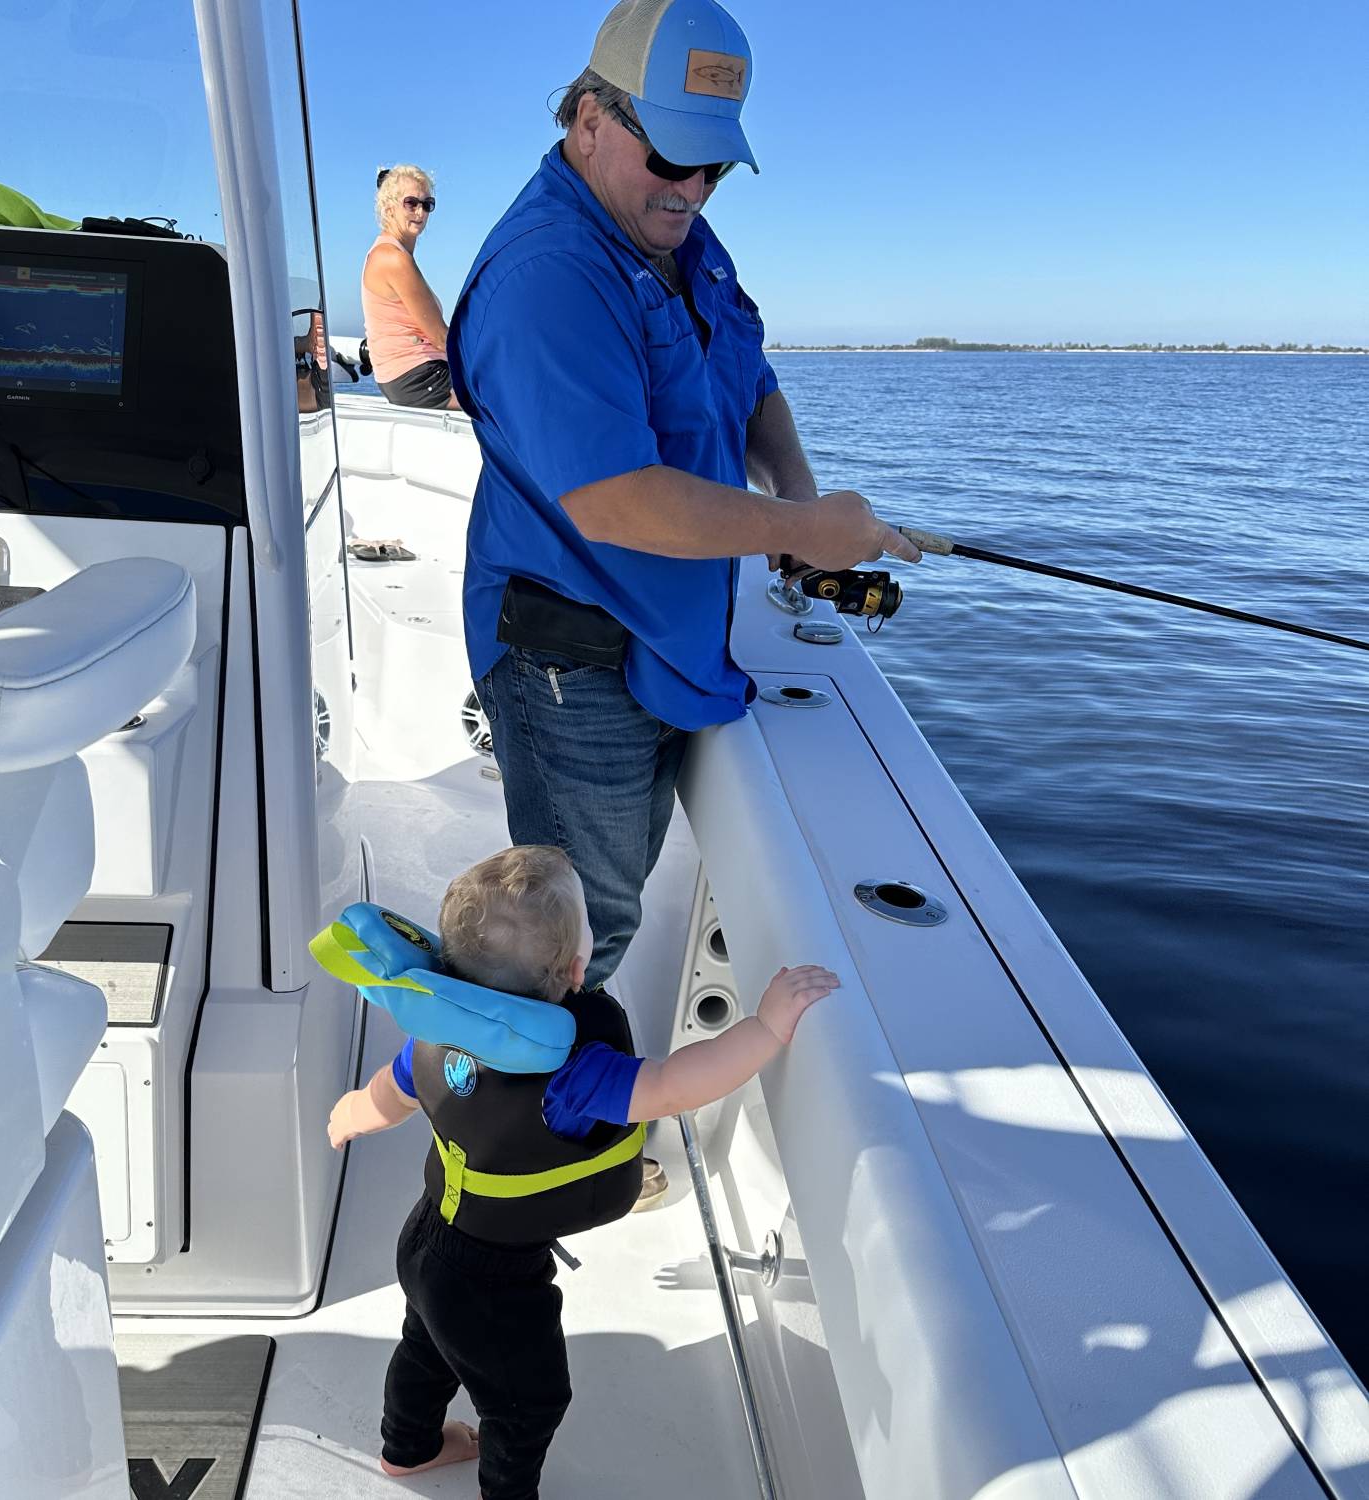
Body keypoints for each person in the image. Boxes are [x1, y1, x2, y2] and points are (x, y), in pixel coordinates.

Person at [448, 0, 920, 1008]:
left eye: (715, 167)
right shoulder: (548, 275)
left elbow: (745, 377)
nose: (694, 189)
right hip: (569, 657)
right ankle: (508, 1140)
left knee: (605, 909)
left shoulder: (683, 239)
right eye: (671, 158)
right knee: (575, 930)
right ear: (587, 118)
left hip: (663, 640)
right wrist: (800, 527)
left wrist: (796, 497)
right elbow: (614, 501)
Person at [325, 845, 838, 1500]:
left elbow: (387, 1097)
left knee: (426, 1346)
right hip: (494, 1281)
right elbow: (674, 1086)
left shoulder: (436, 1027)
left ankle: (410, 1449)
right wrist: (766, 1027)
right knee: (528, 1404)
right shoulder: (572, 1073)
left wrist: (349, 1115)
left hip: (426, 1239)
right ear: (574, 969)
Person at [362, 164, 459, 410]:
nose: (421, 212)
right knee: (515, 391)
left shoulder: (391, 253)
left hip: (407, 376)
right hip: (419, 378)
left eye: (428, 204)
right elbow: (440, 336)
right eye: (411, 203)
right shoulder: (393, 259)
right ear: (388, 207)